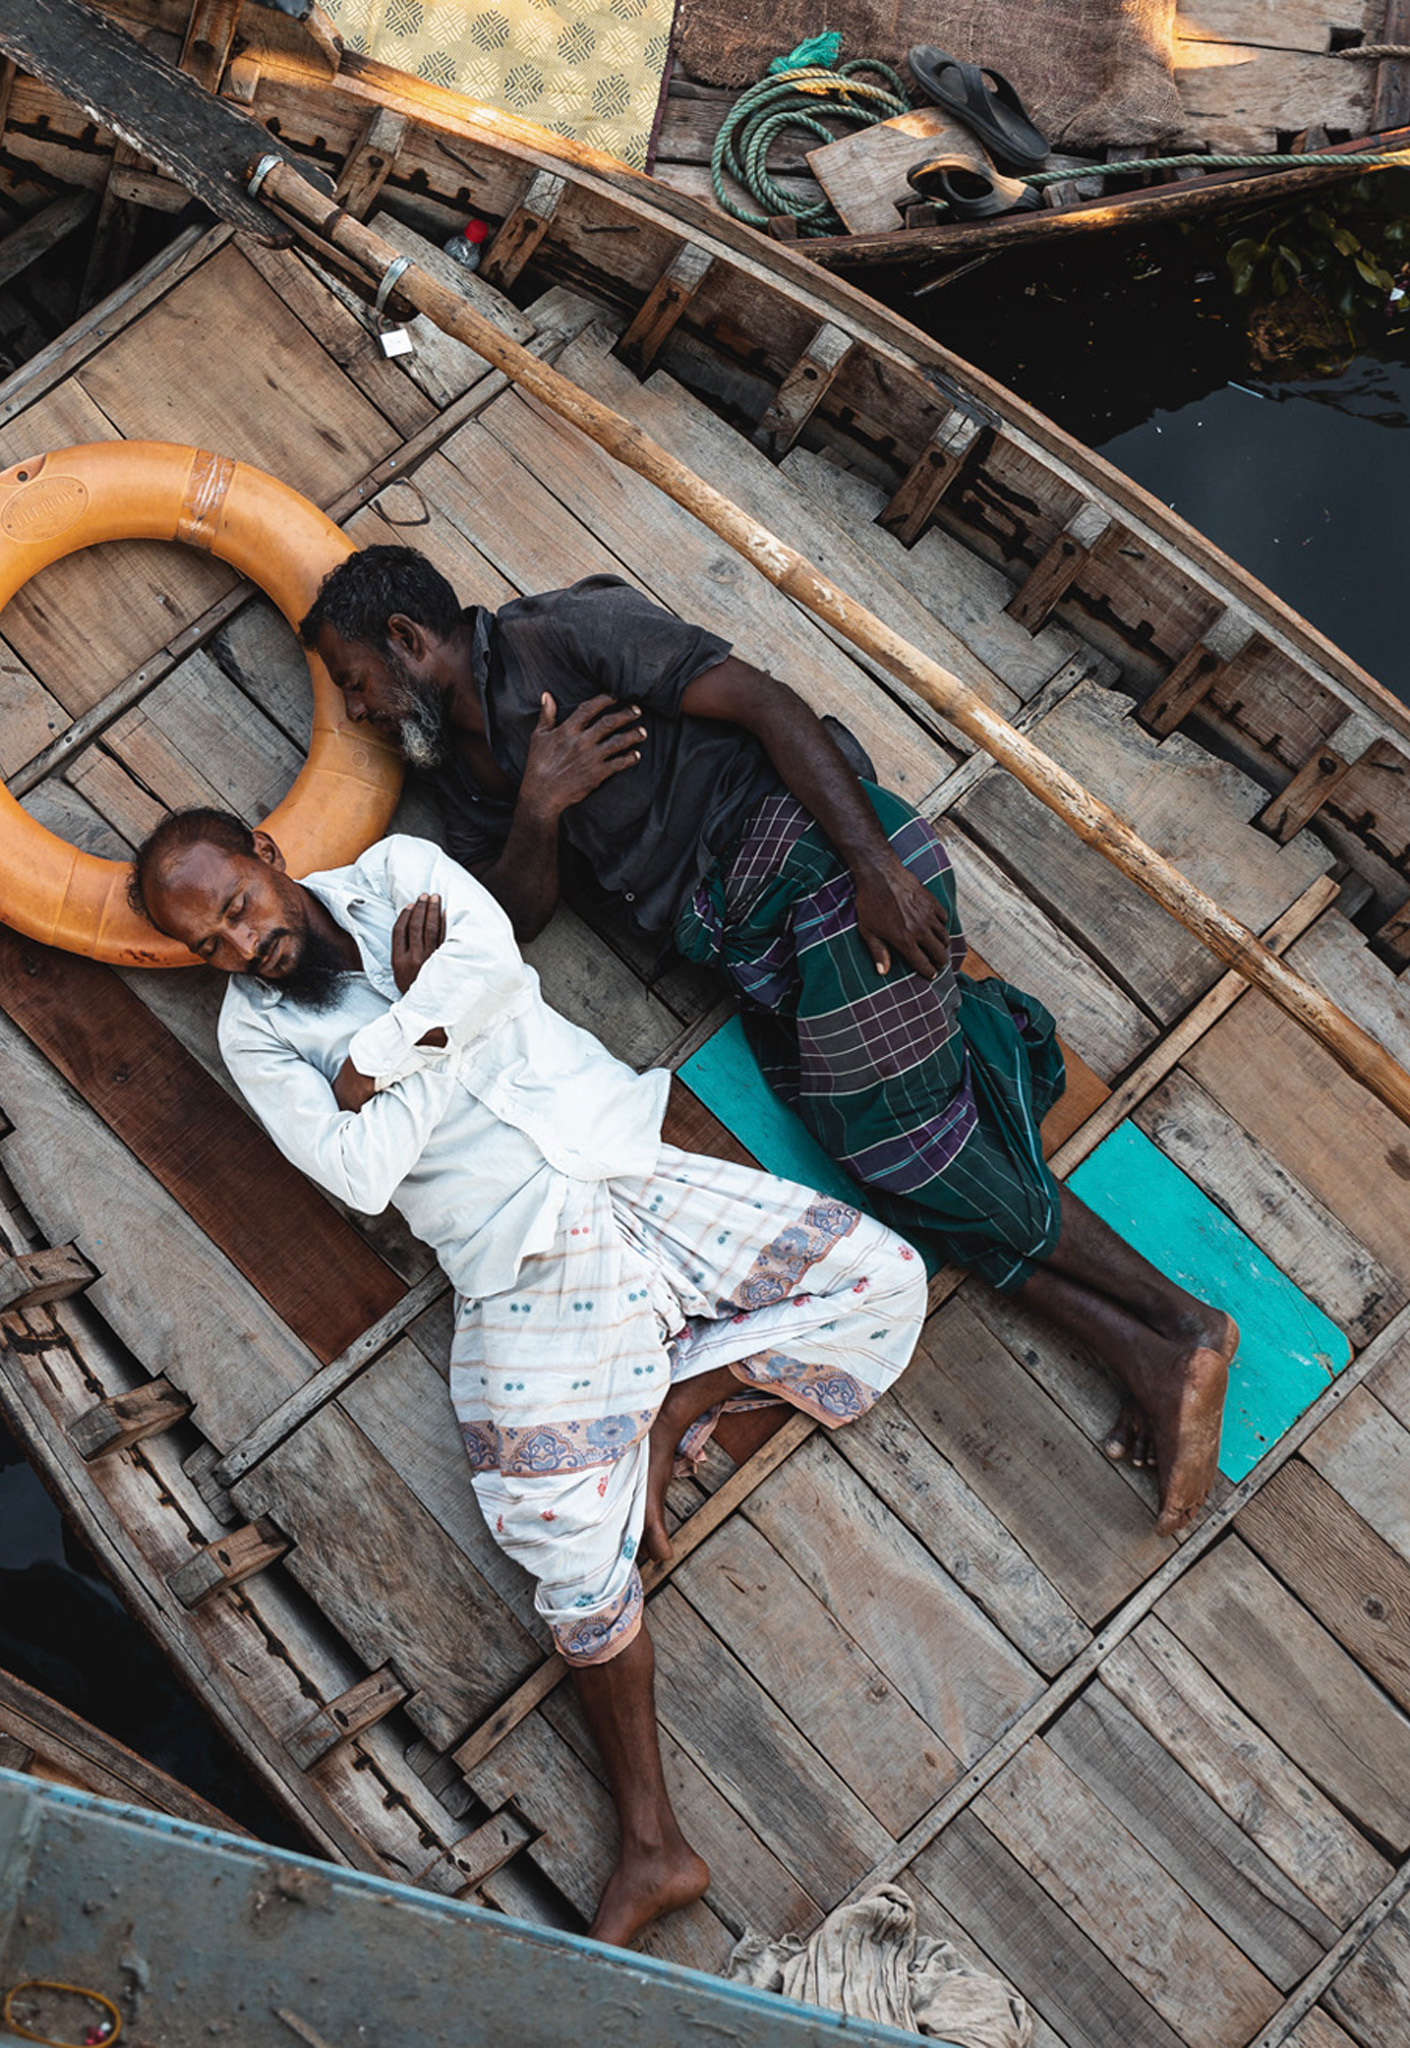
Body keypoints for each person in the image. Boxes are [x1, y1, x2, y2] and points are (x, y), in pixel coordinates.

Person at [299, 545, 1236, 1535]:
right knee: (889, 1170)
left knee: (915, 1149)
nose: (356, 709)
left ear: (407, 639)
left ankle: (1178, 1323)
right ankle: (1138, 1346)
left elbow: (766, 704)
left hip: (818, 866)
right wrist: (539, 804)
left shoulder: (564, 632)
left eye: (355, 682)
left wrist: (871, 865)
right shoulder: (469, 776)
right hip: (746, 953)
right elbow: (519, 914)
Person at [131, 809, 929, 1948]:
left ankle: (680, 1395)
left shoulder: (395, 871)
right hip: (515, 1256)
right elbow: (358, 1176)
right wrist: (429, 1021)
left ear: (266, 852)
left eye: (235, 908)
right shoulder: (253, 1036)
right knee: (558, 1544)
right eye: (208, 944)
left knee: (881, 1278)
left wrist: (379, 1056)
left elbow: (496, 965)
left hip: (624, 1159)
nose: (239, 945)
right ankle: (654, 1841)